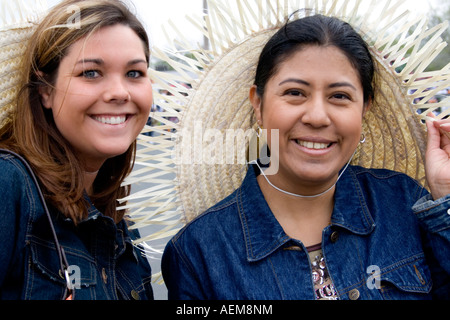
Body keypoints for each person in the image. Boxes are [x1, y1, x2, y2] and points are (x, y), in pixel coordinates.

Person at [161, 13, 450, 300]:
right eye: (295, 92)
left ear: (364, 110)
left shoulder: (404, 203)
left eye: (339, 96)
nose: (316, 117)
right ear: (258, 105)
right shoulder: (197, 252)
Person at [0, 0, 154, 300]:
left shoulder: (118, 221)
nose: (119, 92)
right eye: (91, 73)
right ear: (45, 90)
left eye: (134, 73)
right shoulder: (9, 184)